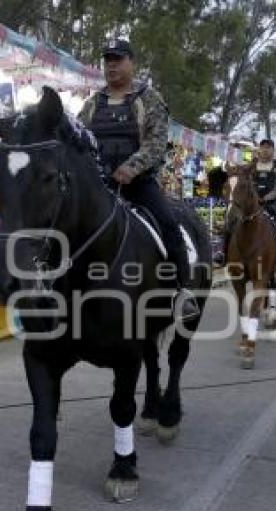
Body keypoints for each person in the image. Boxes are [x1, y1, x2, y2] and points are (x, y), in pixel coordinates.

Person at [79, 39, 199, 321]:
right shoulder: (91, 104)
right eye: (107, 60)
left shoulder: (149, 99)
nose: (111, 65)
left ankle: (181, 290)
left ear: (132, 63)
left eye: (118, 59)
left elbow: (157, 144)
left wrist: (130, 168)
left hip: (138, 184)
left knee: (169, 224)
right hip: (100, 187)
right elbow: (80, 141)